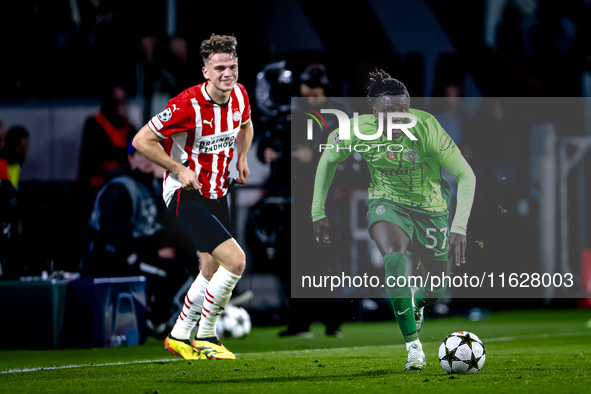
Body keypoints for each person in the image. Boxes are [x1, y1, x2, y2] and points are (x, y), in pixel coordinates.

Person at [311, 70, 476, 370]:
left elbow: (466, 175)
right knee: (394, 260)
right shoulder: (357, 129)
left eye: (403, 110)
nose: (398, 117)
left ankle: (418, 302)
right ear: (374, 112)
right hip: (387, 203)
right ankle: (414, 347)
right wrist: (317, 211)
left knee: (436, 287)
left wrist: (459, 226)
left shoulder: (427, 128)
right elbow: (328, 160)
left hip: (432, 209)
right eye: (390, 111)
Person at [132, 34, 253, 361]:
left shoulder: (239, 95)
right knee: (236, 261)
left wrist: (242, 159)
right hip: (186, 193)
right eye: (220, 68)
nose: (227, 73)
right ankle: (208, 334)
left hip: (219, 191)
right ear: (205, 72)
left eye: (232, 66)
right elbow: (142, 140)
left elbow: (246, 125)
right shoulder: (187, 104)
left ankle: (179, 335)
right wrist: (178, 169)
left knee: (212, 268)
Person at [85, 141, 196, 336]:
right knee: (173, 273)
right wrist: (155, 253)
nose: (146, 159)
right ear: (130, 159)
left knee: (190, 253)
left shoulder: (151, 187)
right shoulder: (119, 189)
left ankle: (204, 303)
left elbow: (165, 228)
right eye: (140, 154)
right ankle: (159, 320)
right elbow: (117, 237)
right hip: (114, 257)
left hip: (141, 251)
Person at [78, 85, 136, 206]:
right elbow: (103, 151)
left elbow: (137, 154)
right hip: (97, 190)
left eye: (123, 101)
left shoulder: (129, 128)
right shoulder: (94, 123)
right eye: (116, 102)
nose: (120, 106)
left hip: (123, 189)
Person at [0, 126, 30, 190]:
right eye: (21, 147)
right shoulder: (2, 165)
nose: (25, 150)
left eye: (26, 146)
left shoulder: (16, 165)